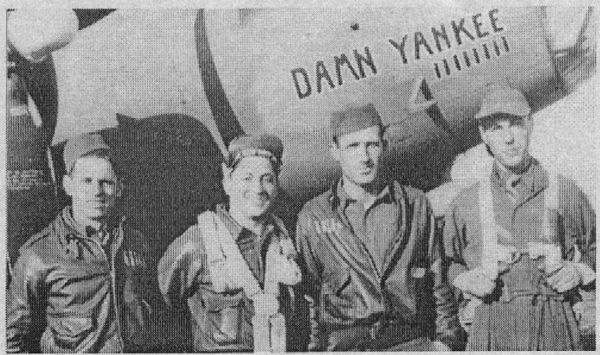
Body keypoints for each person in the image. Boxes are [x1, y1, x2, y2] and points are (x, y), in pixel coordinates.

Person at [295, 103, 465, 351]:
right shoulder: (314, 216)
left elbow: (438, 279)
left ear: (384, 146)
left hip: (409, 342)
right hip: (347, 346)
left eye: (371, 145)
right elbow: (308, 298)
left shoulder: (413, 203)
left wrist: (447, 341)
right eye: (352, 146)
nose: (364, 158)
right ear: (335, 151)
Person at [444, 85, 596, 350]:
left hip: (555, 325)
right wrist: (465, 280)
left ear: (530, 124)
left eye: (515, 124)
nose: (508, 138)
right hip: (492, 327)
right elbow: (446, 263)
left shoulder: (563, 191)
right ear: (483, 135)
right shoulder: (466, 204)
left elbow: (595, 247)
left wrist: (578, 271)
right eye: (496, 128)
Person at [6, 133, 151, 353]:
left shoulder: (135, 242)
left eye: (106, 182)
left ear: (119, 188)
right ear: (68, 185)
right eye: (87, 181)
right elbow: (9, 339)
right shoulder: (38, 255)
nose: (97, 192)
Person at [157, 134, 302, 352]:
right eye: (247, 178)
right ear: (227, 183)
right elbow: (161, 309)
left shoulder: (284, 240)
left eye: (267, 178)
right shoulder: (197, 243)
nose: (258, 188)